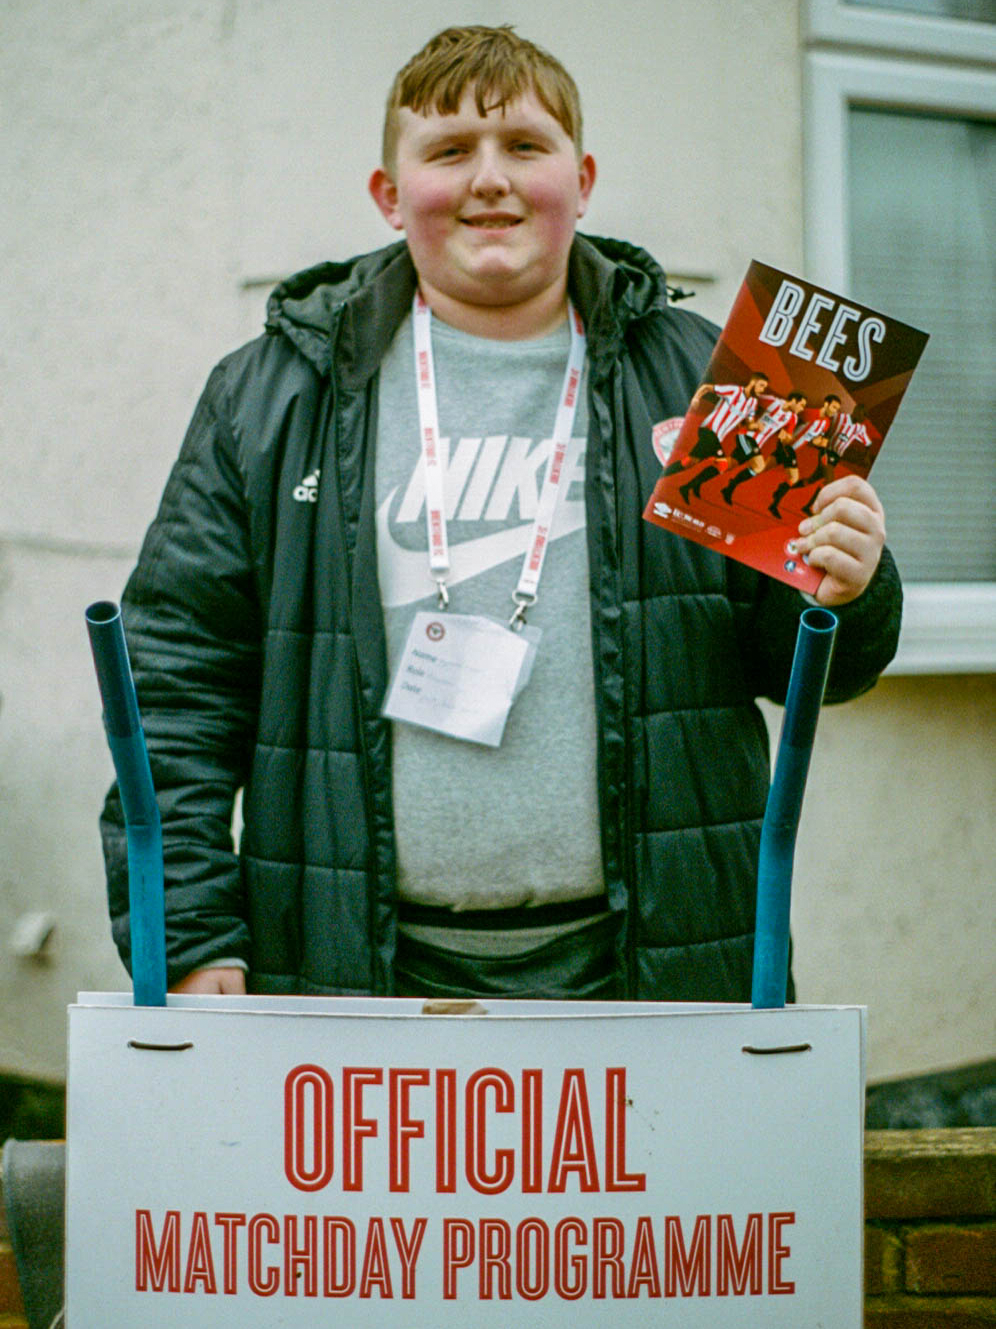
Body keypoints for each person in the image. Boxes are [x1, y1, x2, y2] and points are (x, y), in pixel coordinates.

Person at [100, 25, 901, 1004]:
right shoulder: (270, 394)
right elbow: (175, 683)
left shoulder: (713, 383)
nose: (490, 179)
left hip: (654, 966)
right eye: (448, 151)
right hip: (346, 968)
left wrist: (848, 588)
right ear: (389, 195)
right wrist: (188, 936)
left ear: (584, 179)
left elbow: (812, 670)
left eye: (525, 146)